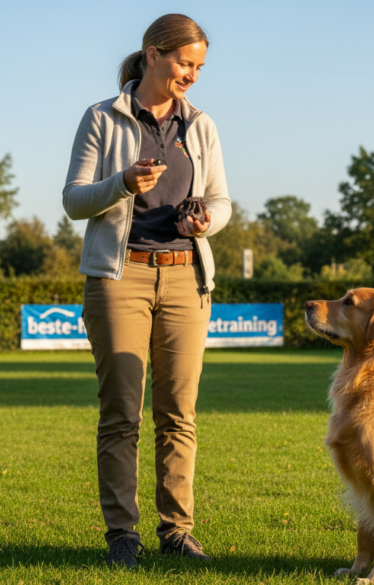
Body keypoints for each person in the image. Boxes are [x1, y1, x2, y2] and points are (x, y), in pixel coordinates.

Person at [61, 13, 231, 569]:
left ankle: (177, 531)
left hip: (187, 276)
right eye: (185, 63)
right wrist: (123, 184)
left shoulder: (200, 124)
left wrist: (206, 219)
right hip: (120, 277)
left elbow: (223, 201)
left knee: (179, 413)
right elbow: (74, 200)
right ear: (153, 55)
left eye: (200, 66)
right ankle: (123, 538)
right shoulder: (102, 118)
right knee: (122, 414)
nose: (193, 75)